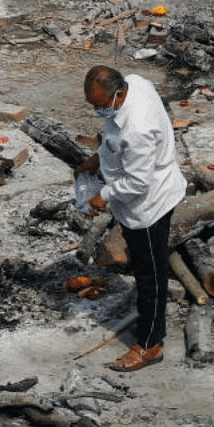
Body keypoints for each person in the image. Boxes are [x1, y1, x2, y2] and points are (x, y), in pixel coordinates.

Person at [74, 65, 186, 372]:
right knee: (144, 264)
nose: (97, 111)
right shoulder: (135, 82)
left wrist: (104, 195)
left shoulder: (136, 128)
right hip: (141, 189)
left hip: (148, 205)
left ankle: (151, 344)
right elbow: (114, 137)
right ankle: (149, 318)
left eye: (100, 105)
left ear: (118, 94)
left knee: (151, 273)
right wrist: (100, 156)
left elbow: (138, 183)